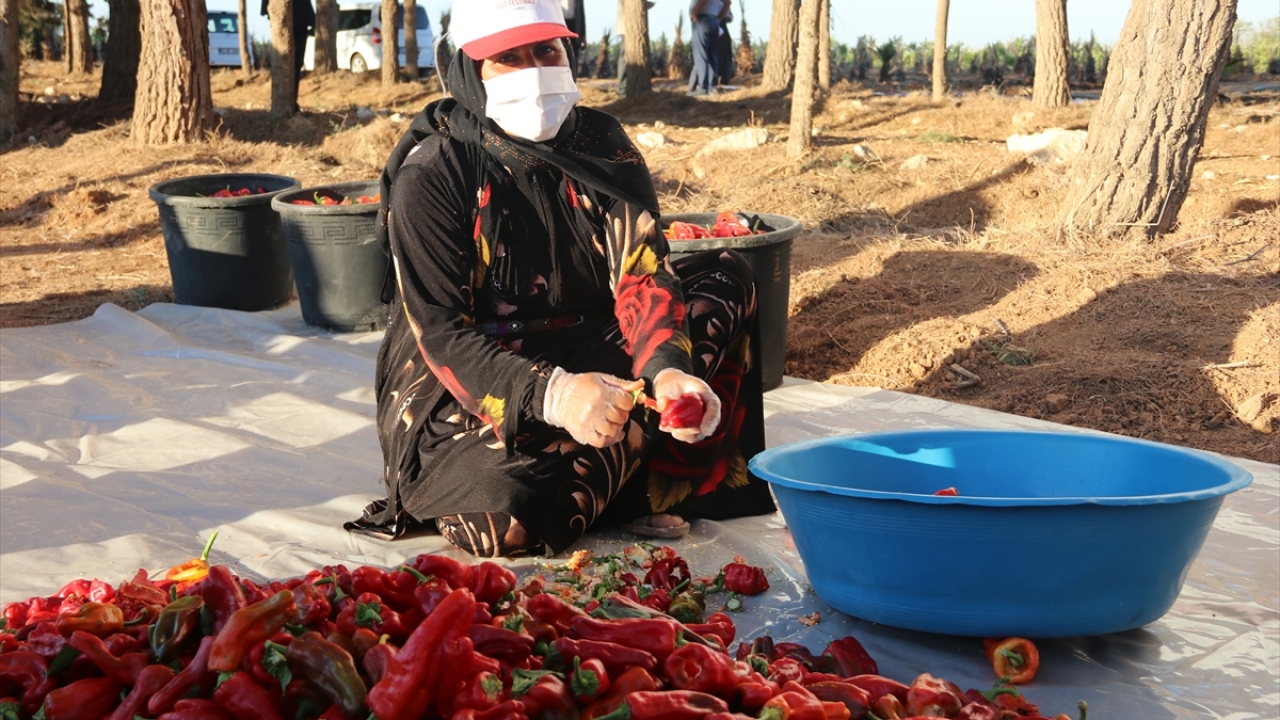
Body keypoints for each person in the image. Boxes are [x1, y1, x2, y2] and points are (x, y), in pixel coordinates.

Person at [346, 0, 775, 558]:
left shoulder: (602, 146)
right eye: (508, 57)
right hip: (472, 374)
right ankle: (631, 483)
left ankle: (611, 468)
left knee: (725, 276)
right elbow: (444, 334)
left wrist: (670, 376)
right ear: (466, 71)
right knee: (502, 517)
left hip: (592, 339)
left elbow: (641, 275)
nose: (535, 71)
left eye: (546, 51)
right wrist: (556, 395)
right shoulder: (434, 174)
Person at [260, 0, 315, 111]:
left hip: (300, 20)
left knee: (296, 64)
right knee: (284, 63)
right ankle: (287, 102)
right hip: (284, 20)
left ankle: (292, 102)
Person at [688, 0, 727, 95]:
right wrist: (718, 19)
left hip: (702, 20)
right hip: (714, 21)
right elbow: (728, 2)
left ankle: (703, 88)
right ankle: (712, 87)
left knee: (701, 56)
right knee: (711, 55)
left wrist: (694, 12)